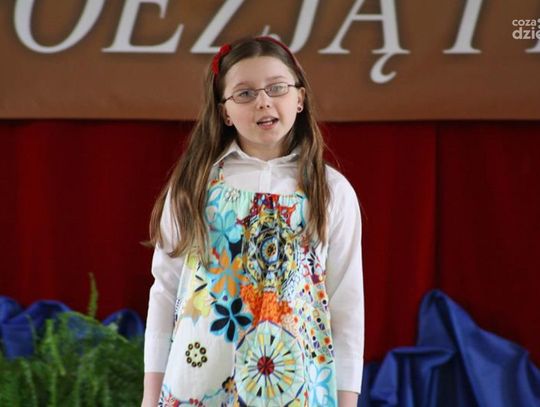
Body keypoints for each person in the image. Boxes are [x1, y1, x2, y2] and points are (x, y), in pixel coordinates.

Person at [141, 36, 364, 407]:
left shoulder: (330, 191)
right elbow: (165, 292)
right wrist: (151, 396)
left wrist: (347, 400)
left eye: (277, 88)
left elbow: (346, 305)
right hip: (198, 385)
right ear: (224, 112)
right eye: (244, 94)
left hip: (294, 388)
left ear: (300, 98)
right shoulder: (193, 186)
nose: (263, 101)